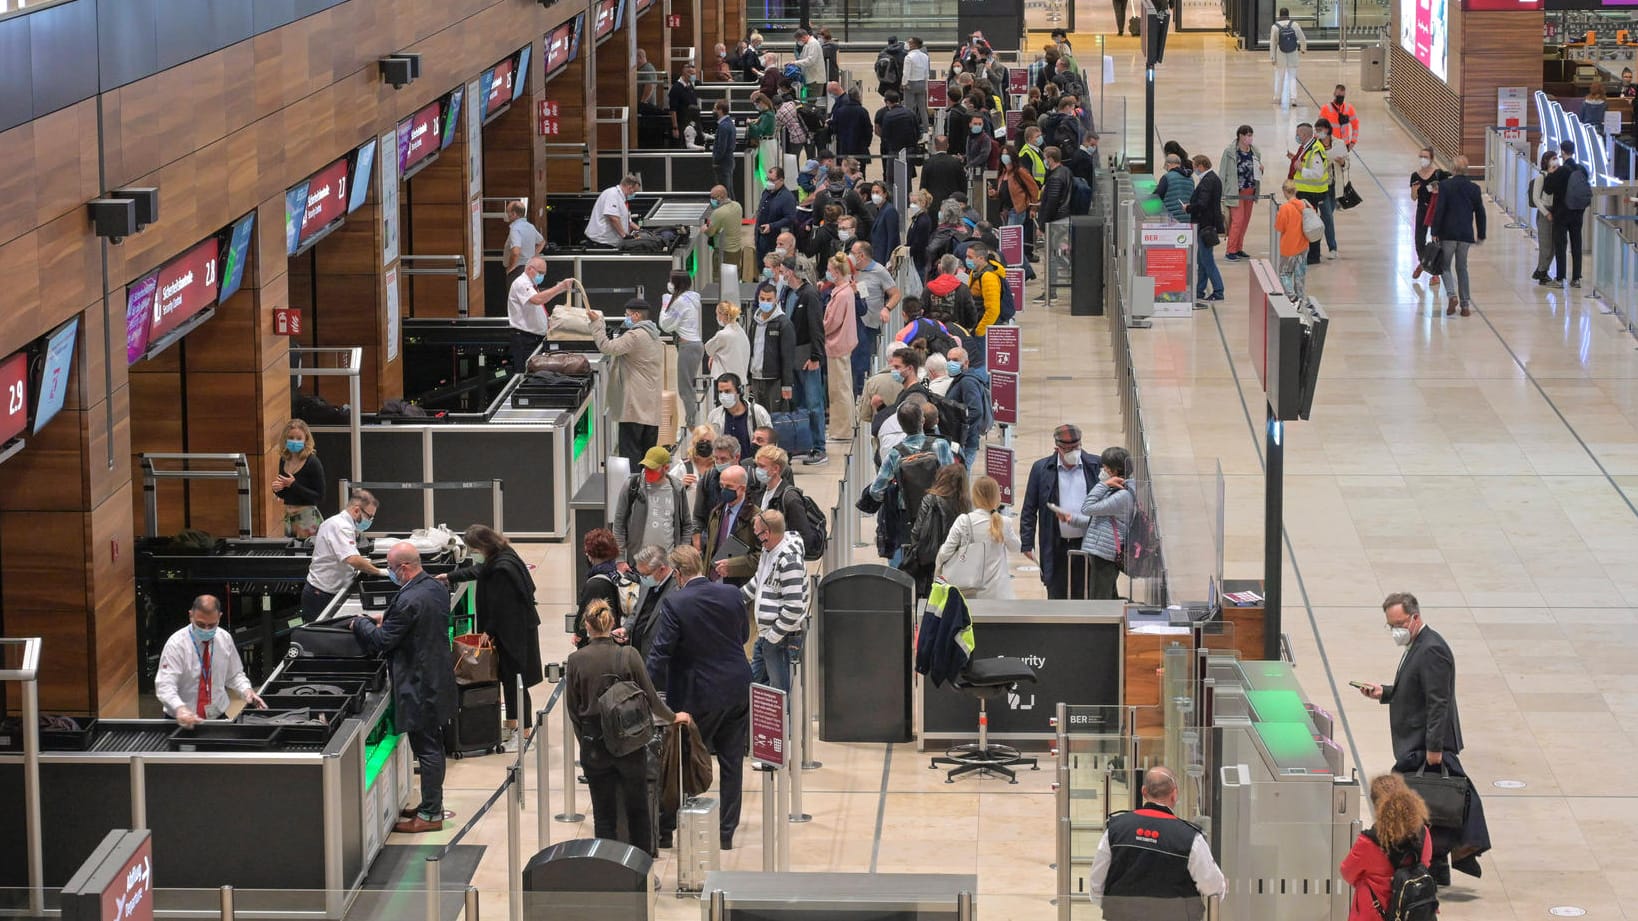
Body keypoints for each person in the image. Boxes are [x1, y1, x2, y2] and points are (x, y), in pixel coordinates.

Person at [1356, 592, 1489, 884]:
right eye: (1391, 626)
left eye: (1399, 624)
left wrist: (1434, 749)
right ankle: (1436, 865)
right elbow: (1415, 690)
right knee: (1429, 804)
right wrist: (1385, 693)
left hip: (1425, 744)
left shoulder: (1432, 650)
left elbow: (1437, 702)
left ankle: (1431, 861)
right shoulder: (1418, 645)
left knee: (1411, 801)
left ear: (1415, 617)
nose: (1396, 631)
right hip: (1418, 741)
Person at [646, 545, 751, 851]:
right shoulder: (732, 594)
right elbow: (742, 635)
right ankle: (725, 834)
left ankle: (666, 830)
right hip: (737, 687)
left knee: (680, 760)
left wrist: (649, 693)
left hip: (698, 694)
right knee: (732, 762)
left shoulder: (675, 602)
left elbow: (660, 653)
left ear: (678, 574)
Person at [566, 598, 690, 856]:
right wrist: (672, 717)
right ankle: (641, 868)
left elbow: (574, 711)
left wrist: (586, 742)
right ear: (612, 623)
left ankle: (608, 869)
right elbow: (651, 698)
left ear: (586, 625)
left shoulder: (576, 660)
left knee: (603, 814)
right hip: (630, 743)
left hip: (594, 744)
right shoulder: (628, 655)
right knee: (638, 810)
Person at [352, 541, 457, 833]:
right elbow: (416, 622)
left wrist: (360, 625)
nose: (390, 572)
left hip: (420, 684)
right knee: (431, 744)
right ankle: (429, 805)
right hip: (437, 676)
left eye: (392, 567)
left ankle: (431, 815)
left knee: (427, 748)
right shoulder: (435, 588)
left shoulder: (409, 599)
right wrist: (388, 620)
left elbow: (382, 642)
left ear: (405, 568)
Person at [1088, 766, 1227, 920]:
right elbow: (1213, 887)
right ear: (1174, 795)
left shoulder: (1116, 829)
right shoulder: (1190, 837)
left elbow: (1096, 884)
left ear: (1143, 792)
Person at [442, 525, 541, 740]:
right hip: (513, 630)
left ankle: (524, 731)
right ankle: (513, 721)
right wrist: (449, 576)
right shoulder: (502, 555)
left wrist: (488, 630)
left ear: (482, 546)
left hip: (513, 633)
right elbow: (478, 571)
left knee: (516, 679)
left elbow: (501, 604)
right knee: (507, 676)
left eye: (473, 549)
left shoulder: (501, 569)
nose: (473, 554)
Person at [155, 594, 264, 726]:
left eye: (211, 625)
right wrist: (180, 708)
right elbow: (165, 685)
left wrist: (247, 691)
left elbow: (234, 675)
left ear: (219, 617)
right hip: (181, 719)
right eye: (200, 624)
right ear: (191, 615)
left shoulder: (225, 639)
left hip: (217, 717)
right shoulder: (176, 644)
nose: (206, 629)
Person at [1340, 775, 1434, 921]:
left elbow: (1347, 872)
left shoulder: (1368, 842)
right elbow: (1425, 865)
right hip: (1413, 910)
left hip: (1374, 913)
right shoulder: (1423, 833)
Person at [1020, 426, 1099, 599]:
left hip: (1088, 543)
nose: (1073, 452)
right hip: (1055, 544)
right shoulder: (1041, 469)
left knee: (1087, 592)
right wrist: (1027, 542)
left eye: (1076, 448)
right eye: (1068, 449)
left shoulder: (1095, 466)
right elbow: (1029, 508)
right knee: (1056, 592)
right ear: (1057, 448)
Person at [590, 298, 665, 466]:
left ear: (636, 315)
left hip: (635, 406)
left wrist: (596, 324)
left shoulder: (635, 335)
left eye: (627, 315)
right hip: (650, 405)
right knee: (648, 455)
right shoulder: (654, 335)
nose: (626, 318)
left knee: (631, 453)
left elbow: (607, 347)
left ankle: (632, 489)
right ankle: (646, 487)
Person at [1056, 446, 1134, 600]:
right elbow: (1100, 520)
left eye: (1105, 468)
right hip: (1102, 550)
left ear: (1114, 470)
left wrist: (1103, 484)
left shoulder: (1123, 495)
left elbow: (1087, 508)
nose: (1102, 471)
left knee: (1100, 599)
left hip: (1106, 554)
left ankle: (1104, 625)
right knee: (1107, 596)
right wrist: (1072, 519)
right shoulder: (1116, 490)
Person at [743, 508, 808, 693]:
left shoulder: (789, 560)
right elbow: (759, 581)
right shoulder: (768, 551)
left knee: (781, 695)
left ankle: (786, 723)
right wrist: (736, 598)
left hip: (782, 640)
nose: (756, 536)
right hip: (766, 637)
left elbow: (795, 607)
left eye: (757, 532)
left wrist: (772, 638)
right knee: (755, 689)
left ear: (767, 533)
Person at [775, 258, 828, 464]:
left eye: (783, 271)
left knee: (814, 403)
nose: (781, 275)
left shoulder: (810, 294)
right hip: (790, 356)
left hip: (807, 355)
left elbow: (817, 327)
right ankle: (801, 443)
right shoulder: (787, 292)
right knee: (797, 403)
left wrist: (816, 356)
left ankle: (819, 446)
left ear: (792, 272)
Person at [302, 489, 384, 617]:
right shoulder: (340, 526)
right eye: (369, 516)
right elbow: (352, 559)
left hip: (329, 591)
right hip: (321, 594)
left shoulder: (342, 523)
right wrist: (379, 572)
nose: (371, 521)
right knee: (320, 635)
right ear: (357, 510)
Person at [936, 475, 1020, 599]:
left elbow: (945, 553)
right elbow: (1016, 548)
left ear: (974, 496)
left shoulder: (963, 521)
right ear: (997, 496)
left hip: (969, 592)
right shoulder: (1004, 522)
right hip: (999, 593)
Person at [613, 446, 697, 563]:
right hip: (637, 563)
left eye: (652, 468)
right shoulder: (632, 486)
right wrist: (620, 559)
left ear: (666, 467)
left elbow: (687, 525)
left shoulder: (677, 489)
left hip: (668, 565)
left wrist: (682, 554)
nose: (648, 471)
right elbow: (619, 524)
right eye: (646, 467)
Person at [1430, 155, 1486, 318]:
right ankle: (1465, 305)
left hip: (1448, 233)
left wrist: (1434, 231)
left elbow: (1439, 210)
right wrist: (1481, 233)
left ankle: (1451, 295)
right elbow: (1480, 213)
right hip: (1465, 234)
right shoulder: (1474, 188)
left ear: (1453, 169)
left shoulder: (1445, 186)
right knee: (1462, 268)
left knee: (1445, 266)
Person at [905, 463, 969, 596]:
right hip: (956, 562)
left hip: (930, 560)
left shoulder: (930, 499)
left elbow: (917, 532)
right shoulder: (966, 504)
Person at [505, 255, 574, 372]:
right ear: (529, 269)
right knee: (525, 373)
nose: (541, 276)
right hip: (524, 339)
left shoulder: (533, 286)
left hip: (536, 338)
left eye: (544, 273)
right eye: (540, 272)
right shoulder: (521, 283)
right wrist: (559, 287)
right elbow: (537, 300)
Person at [656, 270, 706, 428]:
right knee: (687, 386)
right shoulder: (692, 298)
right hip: (694, 346)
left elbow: (665, 324)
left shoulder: (679, 302)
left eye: (671, 280)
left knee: (685, 388)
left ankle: (692, 423)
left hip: (688, 347)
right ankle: (692, 421)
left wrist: (664, 306)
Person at [851, 241, 902, 394]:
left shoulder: (879, 271)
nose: (850, 256)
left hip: (869, 324)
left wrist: (886, 309)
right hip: (852, 324)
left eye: (853, 253)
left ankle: (864, 394)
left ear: (861, 255)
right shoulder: (852, 270)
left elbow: (896, 294)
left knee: (864, 365)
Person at [822, 253, 861, 442]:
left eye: (829, 270)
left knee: (839, 390)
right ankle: (846, 426)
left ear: (837, 272)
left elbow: (832, 322)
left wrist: (819, 328)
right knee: (843, 387)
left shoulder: (842, 294)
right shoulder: (845, 292)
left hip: (837, 344)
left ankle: (841, 431)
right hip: (841, 344)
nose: (828, 274)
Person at [703, 464, 762, 584]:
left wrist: (733, 566)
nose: (724, 490)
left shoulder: (756, 517)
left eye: (729, 486)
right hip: (712, 581)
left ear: (742, 488)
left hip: (738, 585)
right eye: (722, 486)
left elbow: (762, 557)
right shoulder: (716, 513)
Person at [1542, 139, 1587, 288]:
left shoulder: (1561, 170)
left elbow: (1548, 189)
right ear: (1573, 151)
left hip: (1562, 213)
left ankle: (1560, 278)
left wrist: (1550, 172)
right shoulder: (1581, 169)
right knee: (1577, 244)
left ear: (1562, 152)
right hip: (1578, 213)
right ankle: (1576, 278)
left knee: (1561, 245)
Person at [621, 544, 678, 658]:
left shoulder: (677, 589)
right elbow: (637, 611)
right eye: (640, 574)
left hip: (657, 658)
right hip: (637, 654)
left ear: (662, 569)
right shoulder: (647, 581)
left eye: (645, 574)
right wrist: (626, 628)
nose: (642, 578)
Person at [747, 281, 797, 412]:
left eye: (769, 299)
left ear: (776, 300)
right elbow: (750, 350)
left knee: (774, 419)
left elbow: (788, 357)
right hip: (756, 378)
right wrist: (748, 378)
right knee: (758, 418)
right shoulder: (754, 321)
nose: (765, 302)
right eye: (762, 299)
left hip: (775, 380)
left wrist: (787, 385)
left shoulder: (784, 323)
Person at [272, 419, 326, 539]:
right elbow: (286, 494)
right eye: (291, 437)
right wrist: (277, 489)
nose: (294, 441)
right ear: (285, 439)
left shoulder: (312, 462)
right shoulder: (284, 459)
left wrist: (293, 484)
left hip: (307, 518)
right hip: (289, 517)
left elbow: (319, 496)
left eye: (298, 438)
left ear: (306, 439)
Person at [574, 528, 626, 647]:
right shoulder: (615, 574)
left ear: (591, 554)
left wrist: (579, 634)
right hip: (616, 639)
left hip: (599, 644)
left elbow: (584, 616)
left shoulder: (594, 584)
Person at [1218, 126, 1263, 261]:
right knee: (1237, 221)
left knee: (1245, 221)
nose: (1250, 138)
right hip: (1235, 192)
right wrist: (1221, 194)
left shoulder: (1255, 151)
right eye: (1247, 135)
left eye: (1251, 135)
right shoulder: (1230, 152)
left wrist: (1261, 169)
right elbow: (1222, 172)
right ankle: (1230, 250)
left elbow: (1257, 170)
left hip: (1250, 190)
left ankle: (1238, 247)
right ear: (1240, 136)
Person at [1408, 148, 1450, 283]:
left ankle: (1435, 273)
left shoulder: (1438, 174)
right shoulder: (1415, 176)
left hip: (1436, 210)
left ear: (1431, 159)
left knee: (1436, 241)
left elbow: (1447, 191)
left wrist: (1438, 190)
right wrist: (1414, 190)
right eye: (1421, 156)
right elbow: (1414, 198)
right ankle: (1424, 263)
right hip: (1422, 209)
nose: (1422, 159)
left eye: (1425, 156)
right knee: (1419, 240)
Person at [1187, 155, 1226, 302]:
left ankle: (1218, 290)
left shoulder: (1207, 181)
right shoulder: (1212, 178)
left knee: (1207, 260)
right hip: (1208, 225)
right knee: (1201, 260)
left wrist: (1189, 208)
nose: (1194, 169)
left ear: (1201, 166)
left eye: (1194, 166)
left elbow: (1202, 204)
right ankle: (1199, 290)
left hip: (1205, 225)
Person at [1290, 122, 1330, 264]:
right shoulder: (1306, 147)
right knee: (1304, 224)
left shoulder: (1315, 149)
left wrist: (1301, 169)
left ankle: (1314, 255)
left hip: (1312, 193)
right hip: (1305, 191)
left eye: (1298, 134)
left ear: (1305, 134)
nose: (1297, 136)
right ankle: (1307, 252)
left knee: (1311, 224)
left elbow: (1318, 173)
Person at [708, 372, 769, 460]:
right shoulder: (714, 416)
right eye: (720, 392)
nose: (723, 395)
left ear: (739, 391)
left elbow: (770, 443)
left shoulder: (758, 412)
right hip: (725, 468)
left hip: (751, 467)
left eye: (727, 391)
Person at [944, 346, 988, 466]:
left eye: (955, 360)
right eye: (948, 360)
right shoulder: (959, 379)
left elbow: (976, 411)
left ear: (966, 362)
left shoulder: (968, 382)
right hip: (960, 441)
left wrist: (961, 431)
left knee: (962, 478)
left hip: (965, 443)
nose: (950, 363)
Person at [702, 186, 751, 282]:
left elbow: (711, 232)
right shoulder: (737, 206)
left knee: (719, 279)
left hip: (723, 252)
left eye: (713, 197)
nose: (711, 200)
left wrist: (704, 229)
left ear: (720, 197)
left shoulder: (718, 213)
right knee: (734, 277)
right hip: (736, 249)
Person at [1274, 181, 1311, 297]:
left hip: (1288, 247)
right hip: (1303, 245)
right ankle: (1300, 297)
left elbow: (1279, 227)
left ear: (1285, 192)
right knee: (1300, 274)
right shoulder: (1305, 204)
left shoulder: (1285, 208)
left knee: (1285, 273)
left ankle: (1292, 297)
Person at [585, 173, 642, 247]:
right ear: (629, 187)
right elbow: (613, 218)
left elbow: (628, 223)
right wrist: (624, 235)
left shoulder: (622, 199)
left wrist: (641, 231)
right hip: (601, 242)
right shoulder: (613, 194)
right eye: (634, 191)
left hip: (610, 243)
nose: (634, 194)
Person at [1528, 150, 1559, 284]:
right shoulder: (1541, 177)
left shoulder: (1557, 176)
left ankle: (1543, 270)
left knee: (1552, 245)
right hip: (1545, 213)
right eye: (1553, 158)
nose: (1555, 161)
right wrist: (1546, 213)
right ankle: (1541, 271)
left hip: (1555, 211)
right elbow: (1536, 198)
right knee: (1545, 244)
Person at [875, 90, 920, 180]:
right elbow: (917, 132)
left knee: (890, 177)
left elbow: (881, 132)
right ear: (899, 100)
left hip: (891, 150)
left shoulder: (885, 114)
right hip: (908, 150)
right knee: (906, 177)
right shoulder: (910, 113)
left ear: (887, 101)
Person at [754, 167, 797, 262]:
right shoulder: (766, 192)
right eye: (767, 179)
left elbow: (790, 218)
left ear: (781, 180)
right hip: (761, 238)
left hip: (774, 241)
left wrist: (772, 226)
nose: (769, 182)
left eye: (772, 180)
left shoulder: (787, 198)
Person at [921, 137, 968, 216]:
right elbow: (963, 185)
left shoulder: (928, 163)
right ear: (948, 146)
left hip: (933, 205)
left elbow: (923, 187)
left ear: (935, 147)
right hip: (952, 205)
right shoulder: (956, 163)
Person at [1270, 8, 1306, 109]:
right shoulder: (1294, 25)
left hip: (1280, 54)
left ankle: (1277, 98)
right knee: (1292, 77)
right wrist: (1303, 48)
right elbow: (1302, 37)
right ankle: (1293, 98)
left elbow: (1273, 44)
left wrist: (1272, 57)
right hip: (1293, 54)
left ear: (1279, 15)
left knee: (1279, 77)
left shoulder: (1275, 27)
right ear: (1288, 15)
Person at [828, 83, 872, 165]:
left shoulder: (840, 111)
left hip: (844, 147)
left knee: (845, 170)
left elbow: (835, 128)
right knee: (860, 171)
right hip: (860, 148)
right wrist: (866, 144)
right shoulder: (863, 111)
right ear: (858, 97)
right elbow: (868, 129)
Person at [502, 199, 544, 277]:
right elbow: (542, 242)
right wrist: (533, 255)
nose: (507, 215)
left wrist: (510, 269)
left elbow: (515, 252)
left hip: (517, 270)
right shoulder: (530, 227)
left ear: (514, 214)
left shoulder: (515, 228)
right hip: (530, 268)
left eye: (508, 212)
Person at [1038, 146, 1075, 227]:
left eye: (1045, 158)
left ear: (1050, 159)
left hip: (1056, 219)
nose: (1044, 161)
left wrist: (1042, 226)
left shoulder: (1055, 178)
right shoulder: (1066, 171)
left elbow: (1052, 203)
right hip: (1064, 215)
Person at [1319, 83, 1359, 151]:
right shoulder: (1326, 108)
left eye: (1342, 96)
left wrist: (1353, 142)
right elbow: (1319, 128)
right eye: (1338, 95)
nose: (1340, 98)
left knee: (1344, 162)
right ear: (1334, 94)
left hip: (1344, 145)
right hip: (1330, 144)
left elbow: (1355, 126)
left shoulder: (1349, 108)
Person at [906, 189, 936, 280]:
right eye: (911, 203)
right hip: (915, 259)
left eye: (914, 203)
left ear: (922, 203)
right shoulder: (917, 218)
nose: (912, 206)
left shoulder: (923, 221)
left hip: (919, 260)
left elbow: (919, 243)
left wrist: (907, 251)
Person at [669, 62, 701, 145]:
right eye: (693, 74)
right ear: (686, 74)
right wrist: (675, 128)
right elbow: (673, 109)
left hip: (691, 124)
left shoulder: (690, 86)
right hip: (681, 124)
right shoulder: (676, 88)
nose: (694, 76)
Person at [903, 37, 930, 133]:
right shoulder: (925, 56)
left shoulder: (909, 57)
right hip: (922, 83)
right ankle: (926, 129)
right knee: (922, 108)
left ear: (914, 45)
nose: (907, 44)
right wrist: (926, 85)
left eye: (909, 42)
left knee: (909, 108)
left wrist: (904, 83)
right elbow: (927, 72)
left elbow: (906, 73)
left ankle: (909, 128)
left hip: (911, 83)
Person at [1155, 153, 1192, 222]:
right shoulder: (1190, 178)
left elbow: (1157, 196)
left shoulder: (1167, 177)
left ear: (1168, 165)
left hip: (1172, 219)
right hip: (1188, 217)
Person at [869, 183, 900, 264]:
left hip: (884, 259)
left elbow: (892, 238)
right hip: (877, 257)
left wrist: (889, 261)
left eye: (877, 192)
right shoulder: (880, 210)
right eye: (873, 192)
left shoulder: (889, 211)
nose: (874, 195)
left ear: (885, 194)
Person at [709, 100, 736, 192]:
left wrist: (716, 160)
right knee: (729, 190)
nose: (713, 111)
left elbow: (721, 147)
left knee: (724, 191)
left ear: (720, 110)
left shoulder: (723, 126)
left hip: (723, 163)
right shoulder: (729, 123)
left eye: (714, 109)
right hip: (728, 161)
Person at [794, 29, 825, 99]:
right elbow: (801, 58)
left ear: (803, 37)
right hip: (810, 78)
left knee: (813, 102)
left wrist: (795, 63)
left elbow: (810, 60)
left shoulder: (813, 43)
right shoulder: (807, 44)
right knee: (809, 101)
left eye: (798, 40)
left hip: (815, 80)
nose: (798, 42)